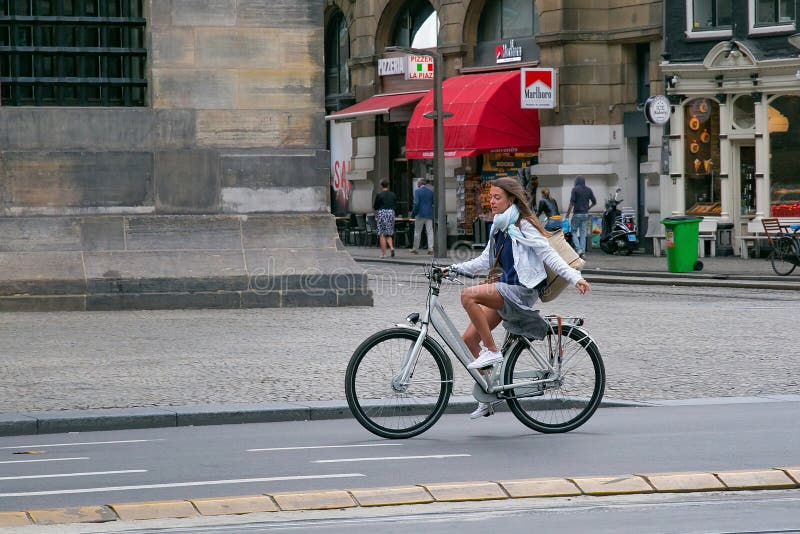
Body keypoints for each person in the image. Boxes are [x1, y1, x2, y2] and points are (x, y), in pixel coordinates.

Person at [448, 177, 592, 419]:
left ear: (511, 199)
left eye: (497, 197)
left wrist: (575, 276)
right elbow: (485, 261)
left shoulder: (524, 224)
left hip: (522, 290)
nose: (491, 202)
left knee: (468, 296)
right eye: (490, 197)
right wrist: (453, 268)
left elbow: (549, 254)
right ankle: (489, 391)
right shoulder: (498, 225)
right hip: (506, 287)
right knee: (469, 340)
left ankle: (492, 350)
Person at [565, 176, 596, 259]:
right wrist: (588, 208)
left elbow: (571, 203)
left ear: (577, 181)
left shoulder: (575, 189)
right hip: (585, 214)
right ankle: (583, 252)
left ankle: (578, 249)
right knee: (583, 233)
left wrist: (567, 214)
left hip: (577, 214)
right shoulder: (589, 190)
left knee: (573, 231)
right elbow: (594, 202)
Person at [373, 179, 397, 258]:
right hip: (391, 213)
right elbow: (395, 205)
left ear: (381, 186)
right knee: (388, 233)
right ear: (388, 185)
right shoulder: (393, 194)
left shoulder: (379, 195)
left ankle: (384, 254)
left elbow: (375, 206)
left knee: (382, 234)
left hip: (382, 213)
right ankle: (392, 247)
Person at [410, 178, 434, 255]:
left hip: (420, 214)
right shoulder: (430, 192)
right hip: (429, 214)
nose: (417, 184)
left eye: (417, 183)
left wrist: (413, 214)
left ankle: (415, 249)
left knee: (417, 231)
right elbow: (433, 202)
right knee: (430, 231)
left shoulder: (417, 191)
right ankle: (431, 249)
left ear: (419, 184)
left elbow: (416, 204)